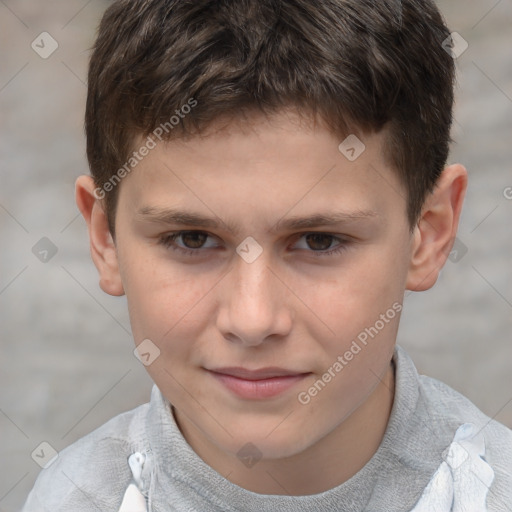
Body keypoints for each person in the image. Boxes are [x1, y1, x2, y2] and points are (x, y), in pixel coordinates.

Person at [22, 0, 512, 510]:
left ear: (428, 235)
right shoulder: (70, 497)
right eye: (192, 239)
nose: (253, 321)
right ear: (106, 238)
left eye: (319, 241)